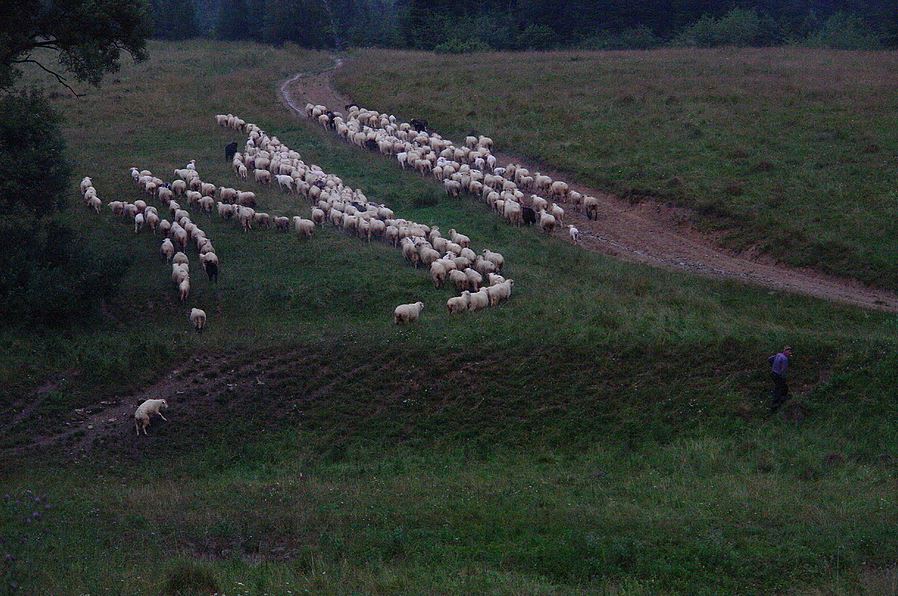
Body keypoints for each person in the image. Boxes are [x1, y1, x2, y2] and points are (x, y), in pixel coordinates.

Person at [768, 346, 793, 412]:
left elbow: (769, 359)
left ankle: (782, 398)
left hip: (773, 374)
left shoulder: (778, 354)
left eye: (790, 352)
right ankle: (775, 405)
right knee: (779, 388)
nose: (789, 353)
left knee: (783, 387)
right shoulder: (785, 359)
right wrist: (783, 377)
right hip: (778, 375)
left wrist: (773, 366)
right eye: (788, 351)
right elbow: (783, 370)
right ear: (784, 351)